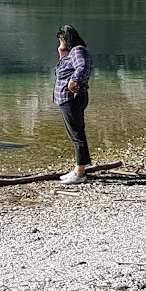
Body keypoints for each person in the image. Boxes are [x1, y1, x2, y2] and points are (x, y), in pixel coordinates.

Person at [54, 25, 94, 184]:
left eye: (60, 40)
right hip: (71, 98)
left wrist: (73, 81)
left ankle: (79, 173)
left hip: (71, 98)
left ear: (64, 39)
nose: (59, 43)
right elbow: (65, 69)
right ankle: (79, 169)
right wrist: (62, 55)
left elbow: (82, 67)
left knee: (77, 134)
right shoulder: (74, 52)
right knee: (76, 133)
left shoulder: (77, 51)